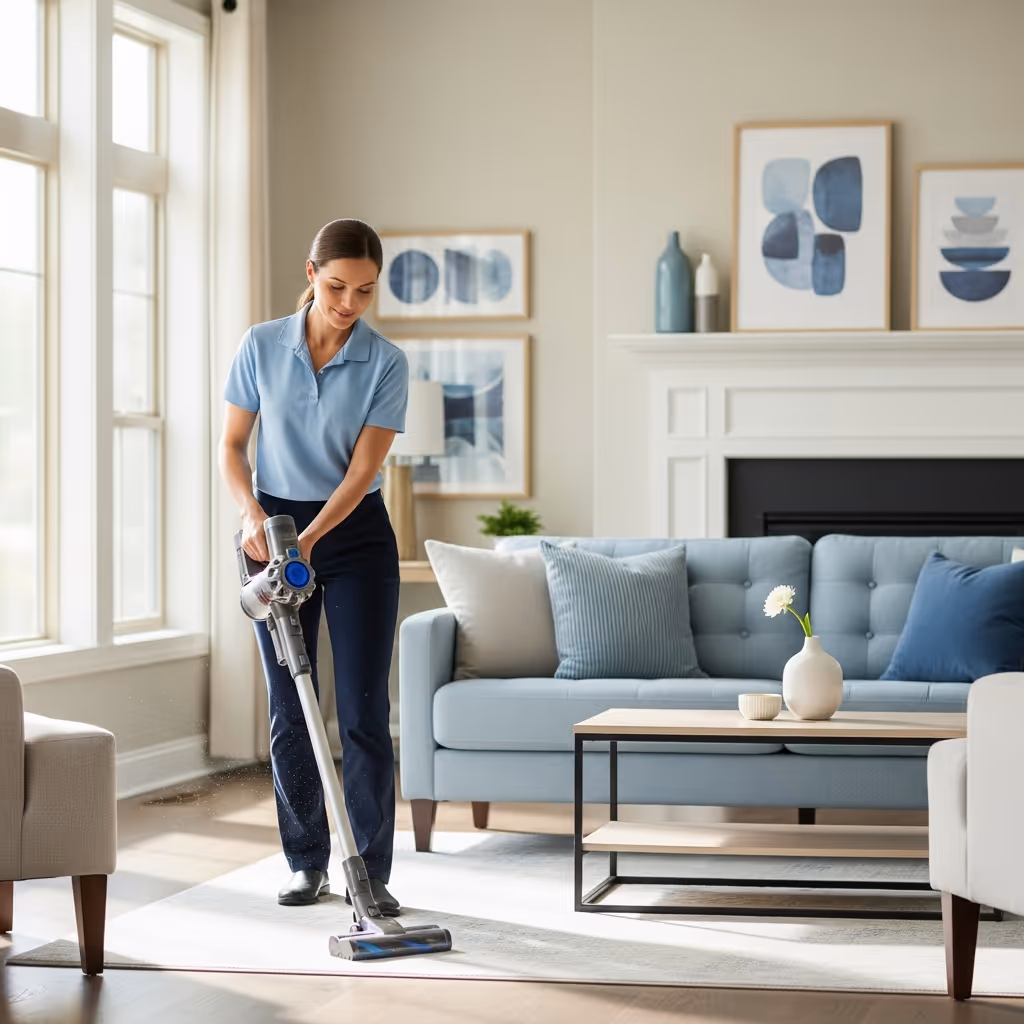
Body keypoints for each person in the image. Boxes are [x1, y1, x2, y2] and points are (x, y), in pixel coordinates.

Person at [219, 218, 408, 911]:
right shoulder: (261, 346)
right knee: (291, 703)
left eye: (363, 291)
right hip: (270, 531)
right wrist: (251, 518)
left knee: (360, 708)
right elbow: (233, 445)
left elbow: (362, 473)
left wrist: (313, 538)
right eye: (336, 287)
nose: (348, 303)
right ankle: (306, 861)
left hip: (353, 533)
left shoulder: (386, 362)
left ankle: (372, 874)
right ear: (310, 274)